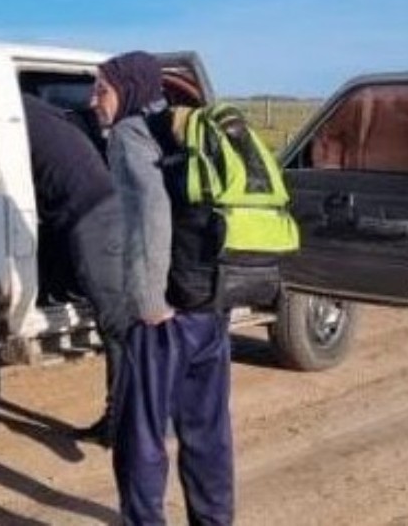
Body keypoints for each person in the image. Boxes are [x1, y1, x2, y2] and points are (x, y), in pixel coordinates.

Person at [90, 52, 234, 525]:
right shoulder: (178, 126)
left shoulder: (131, 135)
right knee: (207, 432)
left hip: (163, 315)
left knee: (142, 438)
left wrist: (149, 300)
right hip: (208, 302)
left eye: (102, 89)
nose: (94, 101)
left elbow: (151, 214)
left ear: (128, 89)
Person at [21, 93, 126, 445]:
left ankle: (125, 422)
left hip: (93, 214)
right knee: (117, 324)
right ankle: (125, 417)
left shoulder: (10, 113)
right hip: (97, 208)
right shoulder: (40, 111)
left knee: (117, 325)